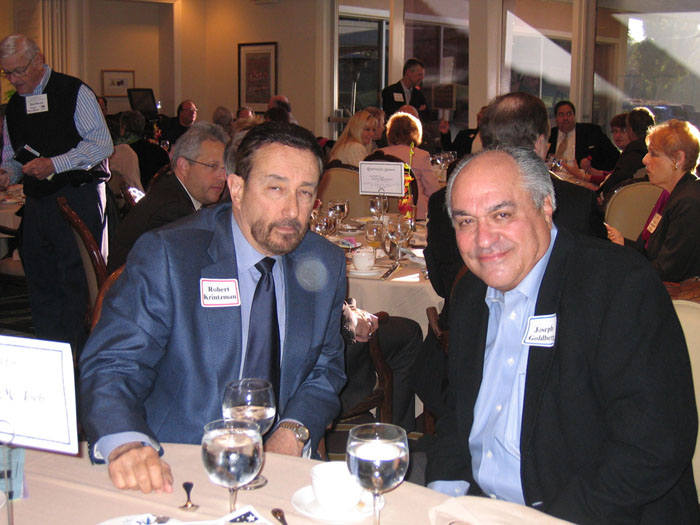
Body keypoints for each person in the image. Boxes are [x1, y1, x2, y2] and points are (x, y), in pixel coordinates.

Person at [426, 147, 699, 523]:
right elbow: (459, 414)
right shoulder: (472, 293)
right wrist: (443, 500)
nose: (483, 240)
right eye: (466, 221)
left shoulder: (618, 286)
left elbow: (653, 445)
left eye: (502, 215)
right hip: (482, 508)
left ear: (546, 206)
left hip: (595, 513)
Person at [79, 121, 347, 493]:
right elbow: (115, 364)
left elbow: (325, 369)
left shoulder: (325, 262)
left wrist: (293, 431)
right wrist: (127, 442)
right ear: (236, 188)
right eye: (275, 188)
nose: (292, 210)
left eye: (305, 192)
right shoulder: (170, 256)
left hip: (280, 469)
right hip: (177, 466)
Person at [0, 34, 112, 351]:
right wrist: (6, 173)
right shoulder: (14, 105)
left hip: (77, 198)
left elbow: (102, 145)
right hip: (38, 203)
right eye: (7, 73)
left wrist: (55, 164)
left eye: (19, 71)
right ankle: (51, 353)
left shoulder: (73, 91)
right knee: (42, 283)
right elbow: (12, 157)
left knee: (78, 284)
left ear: (39, 60)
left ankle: (82, 357)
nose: (14, 80)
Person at [107, 122, 229, 273]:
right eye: (213, 166)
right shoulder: (172, 210)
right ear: (184, 166)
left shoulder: (171, 192)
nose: (223, 177)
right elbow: (185, 272)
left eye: (224, 168)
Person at [606, 119, 700, 282]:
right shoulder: (671, 195)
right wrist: (622, 242)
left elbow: (667, 271)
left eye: (653, 154)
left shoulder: (689, 202)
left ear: (678, 159)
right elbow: (649, 251)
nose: (644, 160)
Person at [340, 300, 422, 432]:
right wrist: (350, 319)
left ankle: (392, 432)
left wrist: (349, 309)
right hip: (325, 358)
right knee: (410, 333)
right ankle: (392, 433)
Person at [378, 111, 440, 219]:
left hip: (385, 211)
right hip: (414, 212)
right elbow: (433, 190)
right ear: (415, 132)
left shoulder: (378, 154)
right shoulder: (420, 155)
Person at [595, 107, 654, 196]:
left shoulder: (634, 153)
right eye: (614, 131)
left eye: (624, 130)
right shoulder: (651, 151)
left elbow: (614, 183)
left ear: (630, 130)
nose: (618, 135)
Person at [547, 100, 619, 172]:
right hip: (553, 177)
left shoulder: (591, 131)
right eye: (561, 115)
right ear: (555, 118)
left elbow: (614, 156)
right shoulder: (549, 135)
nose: (565, 118)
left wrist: (594, 170)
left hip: (581, 176)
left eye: (569, 114)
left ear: (574, 116)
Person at [118, 110, 170, 190]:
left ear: (123, 127)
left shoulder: (122, 153)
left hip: (135, 195)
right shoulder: (160, 151)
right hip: (159, 193)